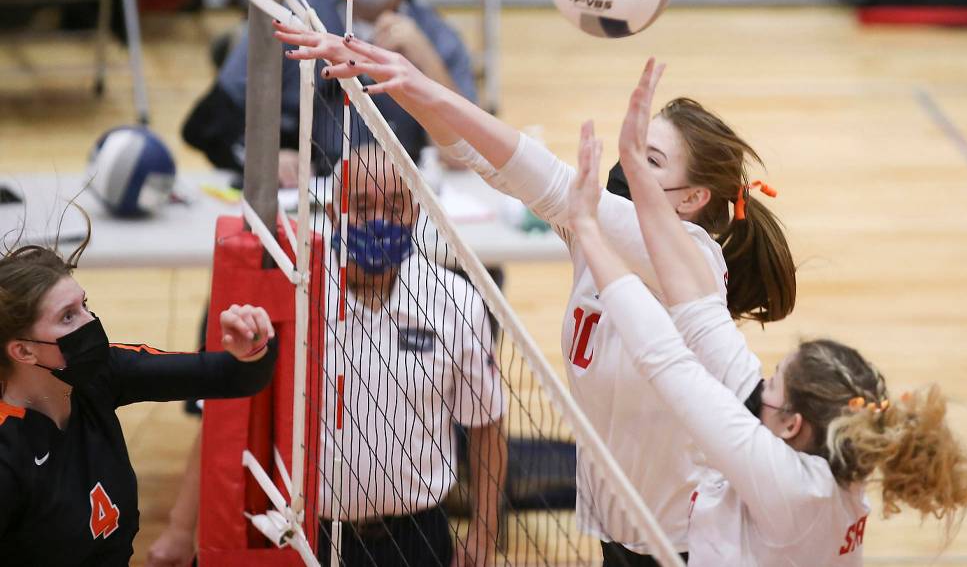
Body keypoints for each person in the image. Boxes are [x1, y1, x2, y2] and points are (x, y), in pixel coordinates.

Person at [270, 28, 796, 562]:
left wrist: (425, 86)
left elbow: (545, 176)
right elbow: (484, 157)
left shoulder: (693, 257)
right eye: (629, 148)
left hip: (692, 540)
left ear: (692, 198)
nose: (625, 164)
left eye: (648, 159)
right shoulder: (593, 238)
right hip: (621, 528)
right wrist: (398, 83)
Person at [562, 67, 967, 565]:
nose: (759, 388)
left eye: (774, 383)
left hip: (666, 535)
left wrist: (588, 226)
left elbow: (666, 360)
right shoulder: (837, 482)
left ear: (791, 424)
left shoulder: (772, 475)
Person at [0, 230, 277, 566]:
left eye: (84, 305)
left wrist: (250, 344)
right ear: (24, 350)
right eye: (67, 317)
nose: (91, 322)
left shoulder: (101, 374)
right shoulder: (8, 455)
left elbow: (234, 377)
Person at [181, 0, 479, 185]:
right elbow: (206, 126)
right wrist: (264, 155)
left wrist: (425, 62)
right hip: (307, 197)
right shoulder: (287, 16)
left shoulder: (436, 36)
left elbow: (466, 154)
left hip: (397, 202)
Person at [316, 140, 507, 566]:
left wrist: (484, 534)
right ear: (333, 215)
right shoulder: (298, 296)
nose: (380, 221)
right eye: (362, 208)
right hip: (312, 534)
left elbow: (487, 425)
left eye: (395, 206)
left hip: (416, 536)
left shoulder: (455, 300)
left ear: (416, 212)